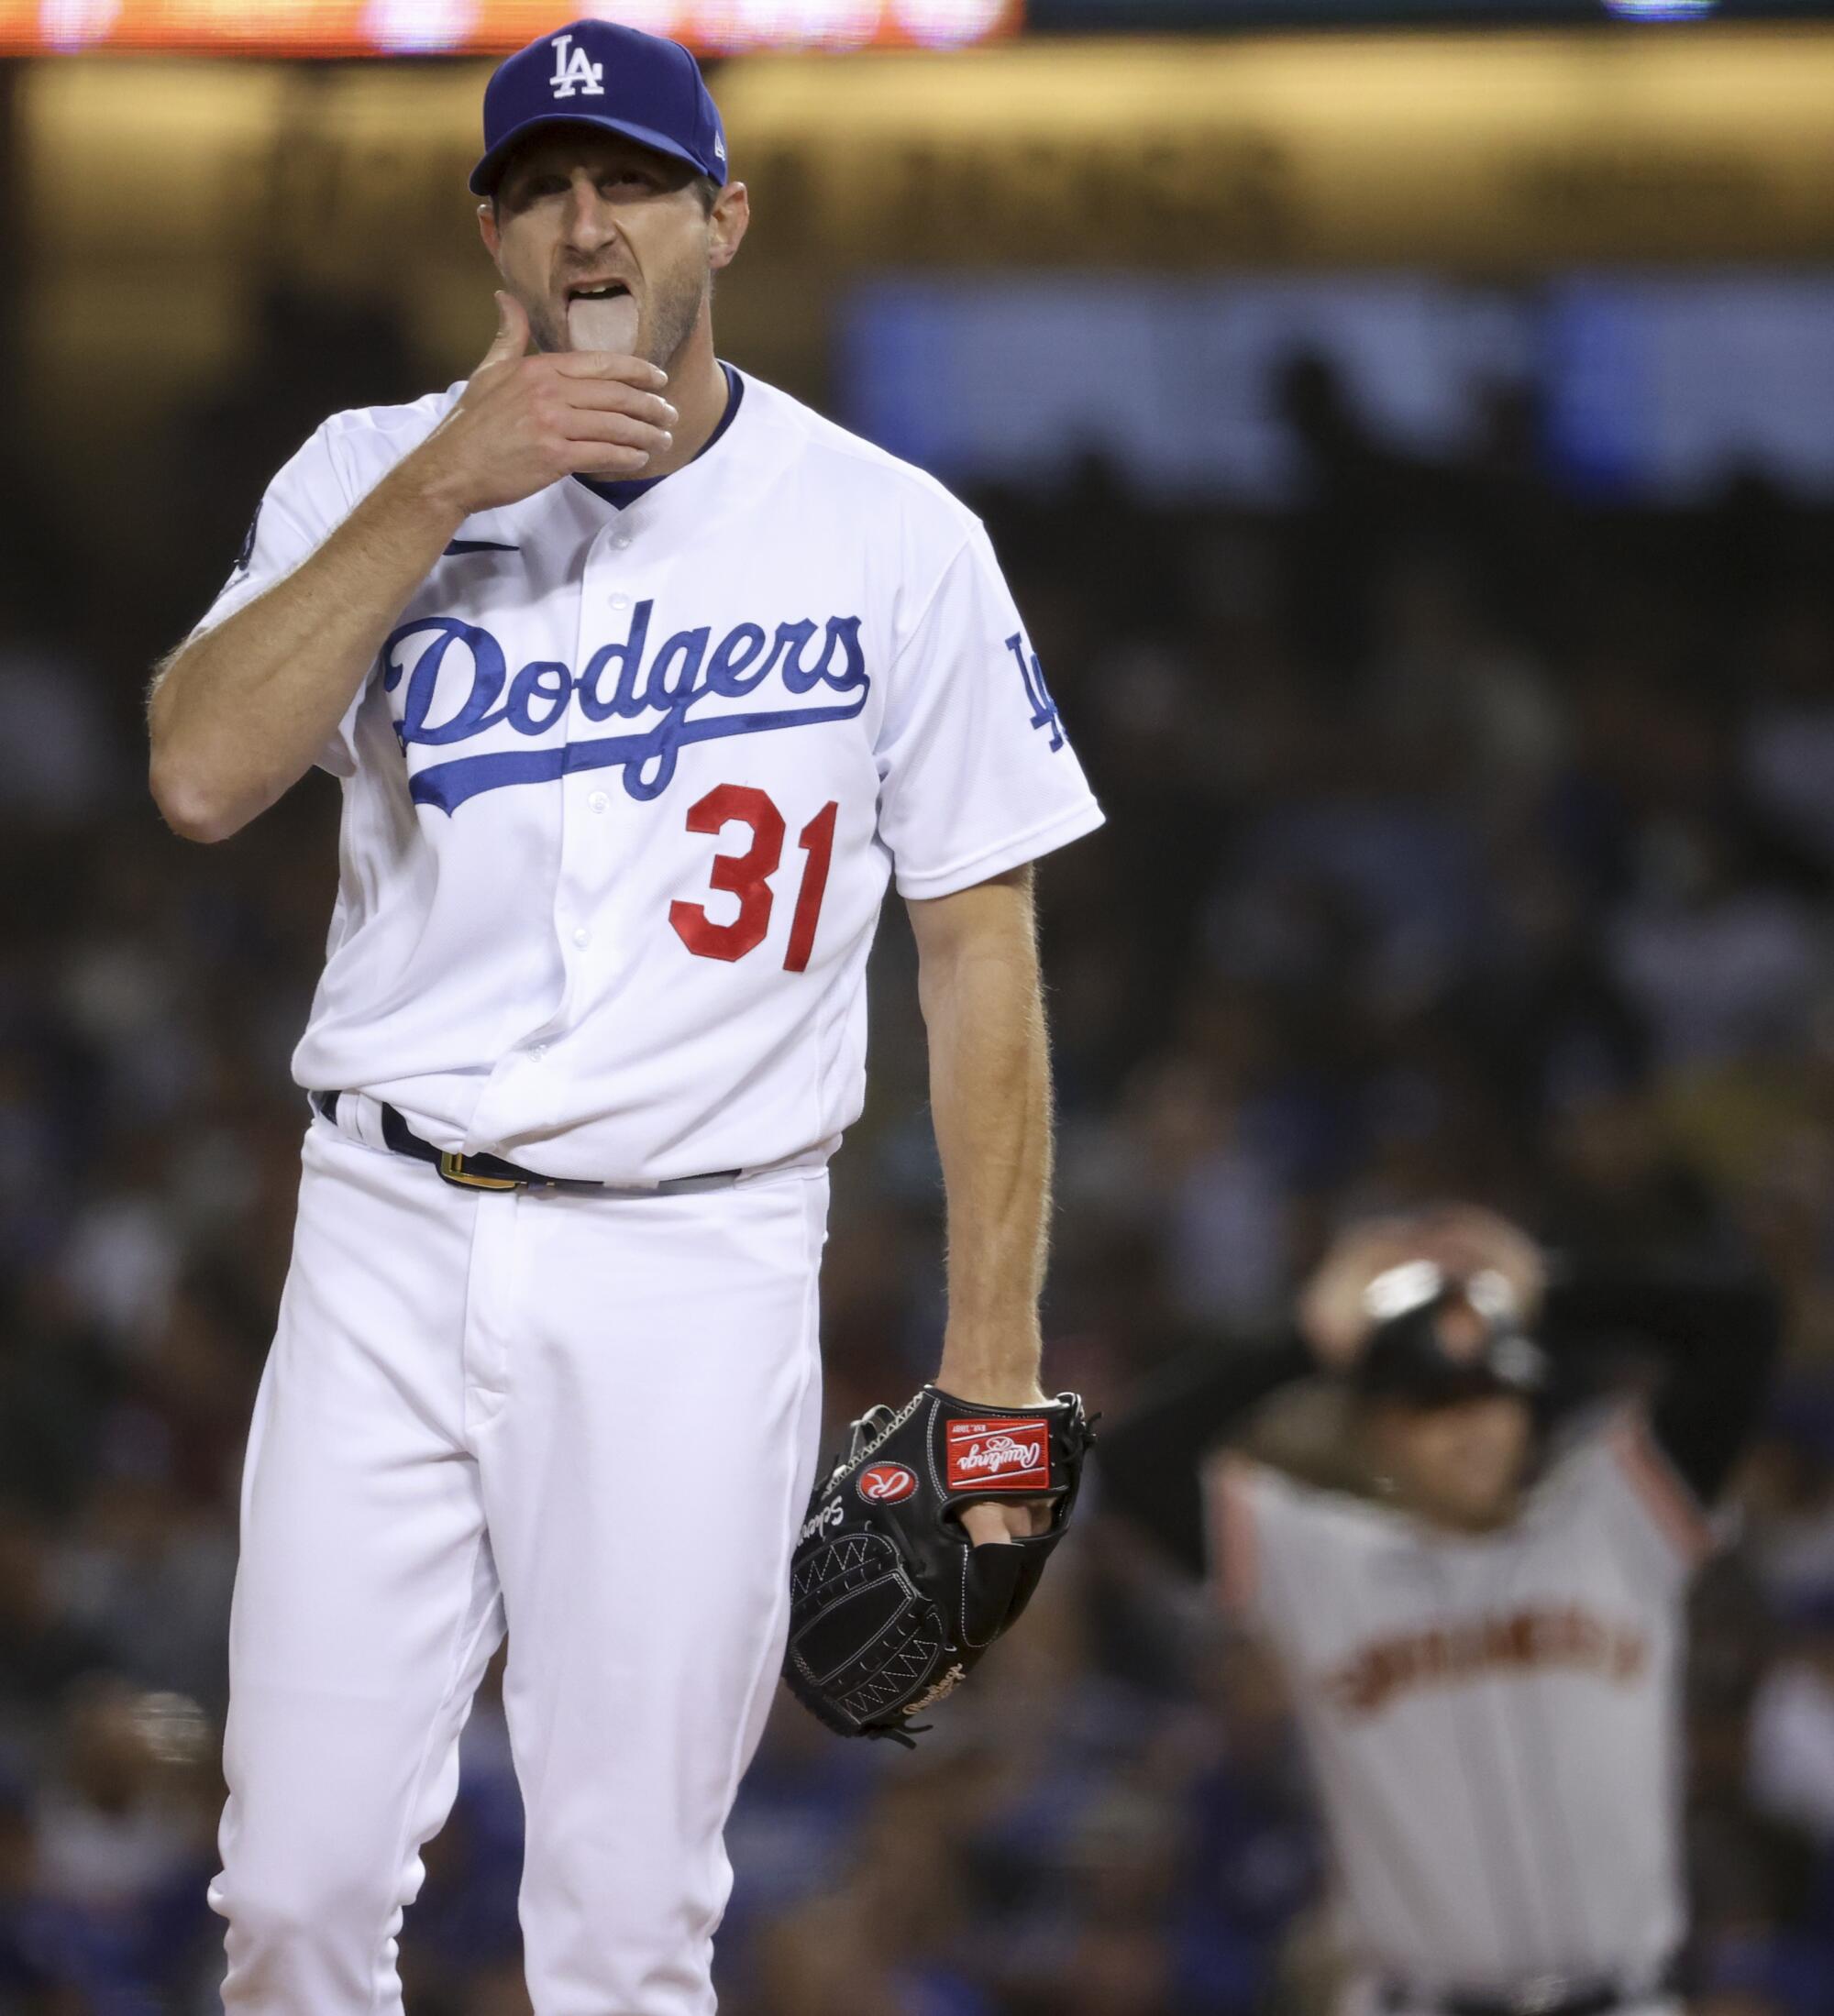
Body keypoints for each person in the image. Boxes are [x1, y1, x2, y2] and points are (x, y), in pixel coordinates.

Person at [144, 19, 1104, 2013]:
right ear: (493, 238)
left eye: (634, 181)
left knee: (625, 1919)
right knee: (297, 1889)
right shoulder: (361, 470)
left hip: (698, 1250)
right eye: (540, 186)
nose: (588, 220)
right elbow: (200, 771)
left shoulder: (890, 533)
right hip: (388, 1231)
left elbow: (978, 942)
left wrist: (991, 1359)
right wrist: (440, 487)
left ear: (718, 220)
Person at [1099, 1207, 1782, 2016]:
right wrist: (1325, 1335)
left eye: (1493, 1392)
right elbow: (1133, 1460)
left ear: (1527, 1408)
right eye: (1434, 1403)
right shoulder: (1317, 1561)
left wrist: (1517, 1290)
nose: (1472, 1425)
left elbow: (1743, 1321)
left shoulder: (1617, 1514)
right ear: (1378, 1433)